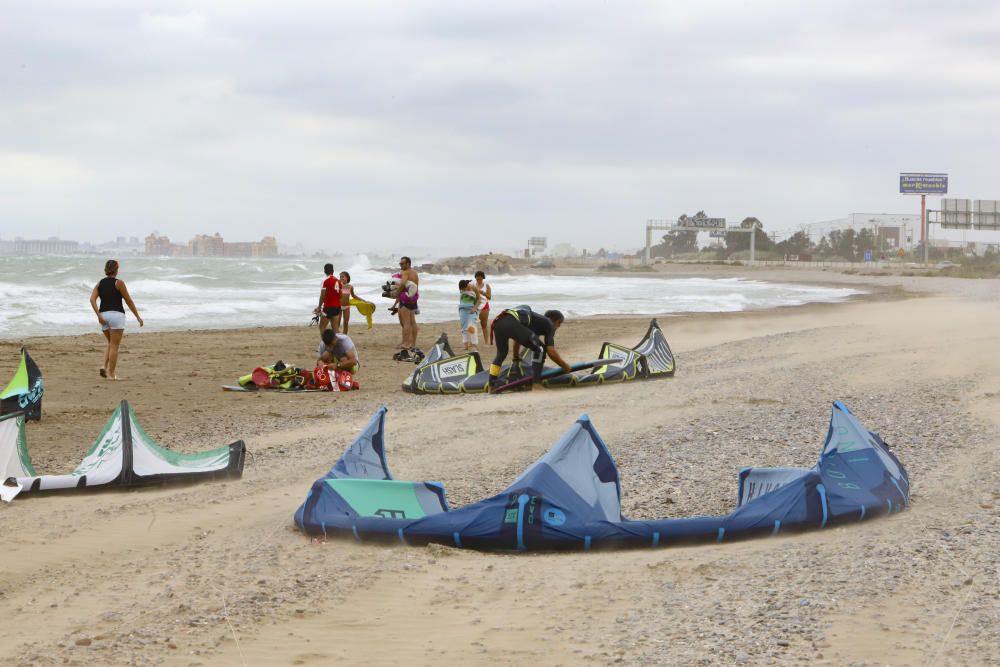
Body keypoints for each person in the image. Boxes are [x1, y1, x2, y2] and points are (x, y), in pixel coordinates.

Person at [488, 306, 571, 392]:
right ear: (557, 321)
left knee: (501, 354)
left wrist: (516, 357)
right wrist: (564, 366)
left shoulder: (528, 317)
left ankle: (491, 386)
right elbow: (551, 351)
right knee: (541, 349)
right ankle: (536, 384)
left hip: (498, 322)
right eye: (559, 324)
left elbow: (518, 338)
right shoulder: (549, 324)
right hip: (511, 322)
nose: (558, 327)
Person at [89, 259, 143, 380]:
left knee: (110, 343)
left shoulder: (100, 283)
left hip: (103, 315)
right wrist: (138, 317)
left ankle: (104, 366)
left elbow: (92, 300)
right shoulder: (119, 283)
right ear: (116, 270)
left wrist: (98, 315)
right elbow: (128, 301)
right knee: (114, 346)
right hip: (116, 316)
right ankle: (112, 374)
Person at [393, 256, 421, 360]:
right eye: (400, 264)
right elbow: (415, 287)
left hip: (406, 298)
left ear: (408, 263)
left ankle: (406, 343)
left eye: (403, 264)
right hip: (414, 297)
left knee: (405, 322)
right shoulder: (414, 273)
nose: (401, 266)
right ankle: (412, 343)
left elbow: (403, 283)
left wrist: (397, 292)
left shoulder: (405, 272)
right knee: (412, 321)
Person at [313, 264, 342, 332]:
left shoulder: (325, 281)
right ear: (333, 271)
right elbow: (341, 295)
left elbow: (322, 295)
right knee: (335, 328)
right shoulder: (338, 281)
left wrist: (319, 307)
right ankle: (339, 342)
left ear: (324, 271)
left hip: (328, 307)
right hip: (337, 307)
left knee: (322, 327)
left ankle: (325, 342)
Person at [458, 279, 480, 352]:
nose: (463, 290)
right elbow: (462, 299)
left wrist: (474, 308)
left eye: (464, 288)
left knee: (471, 326)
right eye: (462, 289)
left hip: (471, 310)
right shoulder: (461, 289)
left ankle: (474, 345)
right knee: (463, 327)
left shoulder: (474, 288)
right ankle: (466, 345)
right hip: (462, 310)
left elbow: (479, 299)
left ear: (467, 285)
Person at [474, 270, 492, 344]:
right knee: (472, 324)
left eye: (480, 279)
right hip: (475, 305)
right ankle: (473, 342)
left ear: (483, 278)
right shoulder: (473, 285)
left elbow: (489, 297)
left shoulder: (486, 286)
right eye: (477, 279)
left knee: (484, 324)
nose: (478, 280)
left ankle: (486, 342)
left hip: (484, 305)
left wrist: (483, 293)